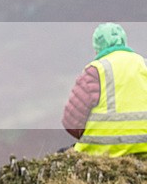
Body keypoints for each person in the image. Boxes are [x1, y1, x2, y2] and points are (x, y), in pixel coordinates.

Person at [62, 23, 147, 156]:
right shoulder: (144, 64)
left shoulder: (96, 70)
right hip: (144, 148)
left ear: (97, 47)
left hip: (102, 151)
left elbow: (71, 122)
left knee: (62, 155)